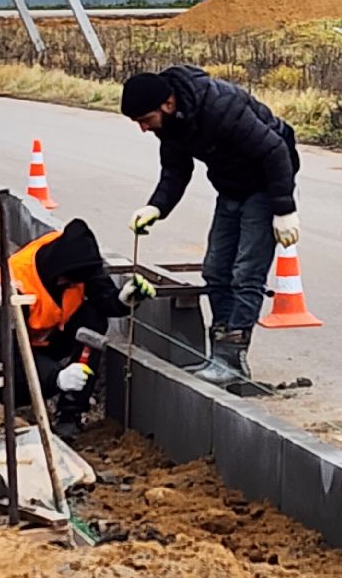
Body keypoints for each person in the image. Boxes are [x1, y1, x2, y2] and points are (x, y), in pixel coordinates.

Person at [121, 65, 300, 386]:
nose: (144, 129)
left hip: (266, 183)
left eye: (145, 120)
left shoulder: (220, 107)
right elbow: (176, 170)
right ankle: (219, 355)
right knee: (216, 269)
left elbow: (274, 150)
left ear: (168, 104)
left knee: (246, 271)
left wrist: (284, 209)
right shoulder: (171, 126)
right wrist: (156, 207)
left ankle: (233, 360)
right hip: (231, 186)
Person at [5, 218, 154, 436]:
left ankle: (70, 414)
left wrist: (122, 300)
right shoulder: (15, 282)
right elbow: (5, 351)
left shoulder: (76, 259)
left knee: (93, 318)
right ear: (60, 275)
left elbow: (102, 298)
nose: (75, 286)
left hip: (52, 338)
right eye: (71, 282)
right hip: (15, 357)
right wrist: (55, 376)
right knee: (17, 371)